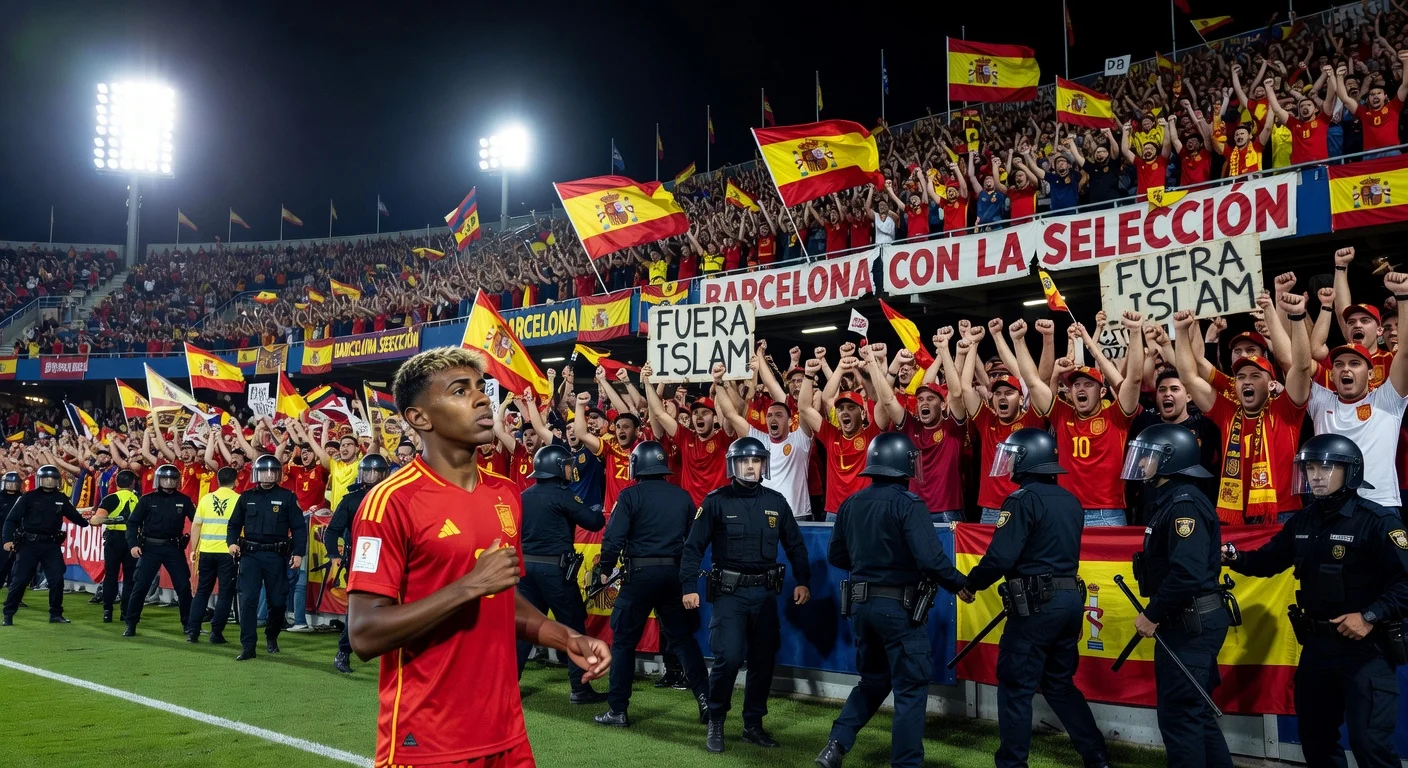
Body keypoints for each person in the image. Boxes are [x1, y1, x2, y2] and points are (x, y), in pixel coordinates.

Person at [347, 347, 610, 768]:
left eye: (480, 388)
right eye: (459, 390)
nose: (482, 398)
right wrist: (470, 585)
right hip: (429, 740)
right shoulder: (390, 501)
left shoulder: (506, 493)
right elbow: (363, 634)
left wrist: (565, 637)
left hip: (505, 732)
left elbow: (503, 600)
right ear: (419, 419)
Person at [1225, 434, 1408, 768]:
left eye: (1326, 467)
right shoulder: (1304, 520)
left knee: (1370, 745)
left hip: (1367, 651)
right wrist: (1233, 556)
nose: (1316, 475)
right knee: (1315, 739)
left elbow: (1406, 582)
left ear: (1350, 472)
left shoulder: (1379, 522)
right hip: (1318, 648)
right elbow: (1268, 561)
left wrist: (1369, 616)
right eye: (1310, 467)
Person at [814, 432, 968, 768]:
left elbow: (836, 554)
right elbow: (931, 560)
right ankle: (906, 764)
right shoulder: (909, 505)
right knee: (910, 690)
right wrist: (960, 584)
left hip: (861, 608)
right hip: (900, 609)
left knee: (873, 681)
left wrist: (870, 563)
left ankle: (836, 746)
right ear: (902, 466)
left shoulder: (850, 504)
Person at [958, 429, 1111, 768]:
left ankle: (1012, 764)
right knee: (1059, 685)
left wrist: (972, 584)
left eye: (1014, 455)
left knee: (1015, 687)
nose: (1009, 462)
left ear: (1027, 459)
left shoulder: (1021, 500)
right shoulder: (1071, 501)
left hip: (1036, 606)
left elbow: (1000, 558)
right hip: (1070, 602)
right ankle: (1097, 756)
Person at [680, 436, 812, 754]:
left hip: (766, 595)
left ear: (763, 464)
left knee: (763, 661)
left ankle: (753, 724)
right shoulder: (715, 501)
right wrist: (687, 587)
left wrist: (803, 581)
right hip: (729, 594)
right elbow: (693, 547)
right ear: (733, 465)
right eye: (744, 461)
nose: (751, 466)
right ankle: (716, 720)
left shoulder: (777, 501)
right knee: (728, 658)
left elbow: (795, 545)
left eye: (756, 461)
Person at [1121, 424, 1232, 768]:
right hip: (1186, 621)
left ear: (1170, 459)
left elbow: (1186, 572)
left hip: (1190, 624)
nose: (1140, 466)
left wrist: (1152, 613)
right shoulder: (1172, 500)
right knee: (1193, 714)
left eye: (1147, 458)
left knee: (1180, 718)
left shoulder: (1184, 505)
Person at [594, 440, 711, 727]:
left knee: (623, 643)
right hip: (674, 576)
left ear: (637, 465)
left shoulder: (630, 495)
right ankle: (707, 701)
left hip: (639, 577)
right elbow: (694, 541)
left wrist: (605, 569)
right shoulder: (682, 497)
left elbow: (613, 538)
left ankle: (618, 710)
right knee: (683, 640)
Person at [515, 444, 607, 702]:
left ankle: (508, 686)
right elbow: (595, 522)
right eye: (566, 465)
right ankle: (580, 688)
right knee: (573, 626)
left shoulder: (523, 495)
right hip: (555, 570)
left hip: (527, 568)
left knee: (526, 627)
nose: (571, 469)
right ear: (556, 467)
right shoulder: (563, 494)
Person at [226, 454, 307, 661]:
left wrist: (298, 553)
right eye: (264, 471)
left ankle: (272, 636)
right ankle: (248, 645)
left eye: (272, 471)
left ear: (278, 474)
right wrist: (232, 542)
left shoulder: (288, 497)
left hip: (276, 556)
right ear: (257, 473)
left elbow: (298, 528)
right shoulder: (246, 497)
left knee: (278, 602)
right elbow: (234, 524)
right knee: (249, 600)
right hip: (250, 556)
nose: (268, 475)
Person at [324, 453, 390, 672]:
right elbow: (332, 530)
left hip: (391, 557)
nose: (371, 476)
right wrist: (333, 554)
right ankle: (344, 651)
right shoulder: (351, 499)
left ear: (384, 474)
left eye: (376, 471)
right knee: (358, 608)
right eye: (368, 471)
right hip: (361, 559)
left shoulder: (394, 497)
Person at [2, 465, 90, 625]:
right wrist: (7, 540)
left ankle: (55, 614)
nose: (49, 482)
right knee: (20, 580)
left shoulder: (61, 498)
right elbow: (11, 520)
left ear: (57, 481)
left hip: (51, 545)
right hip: (29, 544)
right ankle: (8, 613)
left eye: (52, 479)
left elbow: (76, 517)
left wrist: (90, 522)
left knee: (57, 580)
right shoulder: (28, 497)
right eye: (46, 479)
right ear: (39, 480)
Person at [122, 464, 196, 637]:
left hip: (174, 548)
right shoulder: (147, 499)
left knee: (184, 587)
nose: (169, 482)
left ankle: (189, 625)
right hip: (150, 548)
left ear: (177, 481)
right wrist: (133, 545)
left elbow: (197, 521)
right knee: (140, 587)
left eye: (172, 479)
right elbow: (132, 523)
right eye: (165, 478)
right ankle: (131, 623)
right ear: (158, 480)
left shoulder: (184, 500)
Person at [187, 467, 241, 645]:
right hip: (228, 553)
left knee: (202, 591)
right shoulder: (239, 499)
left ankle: (193, 631)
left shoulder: (206, 499)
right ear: (235, 481)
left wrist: (194, 550)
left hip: (207, 551)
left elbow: (196, 526)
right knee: (225, 594)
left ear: (217, 481)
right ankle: (216, 633)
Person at [87, 469, 140, 623]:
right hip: (132, 541)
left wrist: (113, 520)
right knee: (130, 578)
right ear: (132, 483)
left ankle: (107, 611)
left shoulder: (110, 499)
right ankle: (126, 612)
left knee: (111, 576)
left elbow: (95, 521)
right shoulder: (140, 499)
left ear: (116, 483)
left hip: (114, 540)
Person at [0, 472, 22, 592]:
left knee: (16, 567)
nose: (12, 487)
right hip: (2, 536)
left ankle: (14, 594)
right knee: (2, 564)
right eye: (9, 484)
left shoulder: (23, 498)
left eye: (15, 484)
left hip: (18, 536)